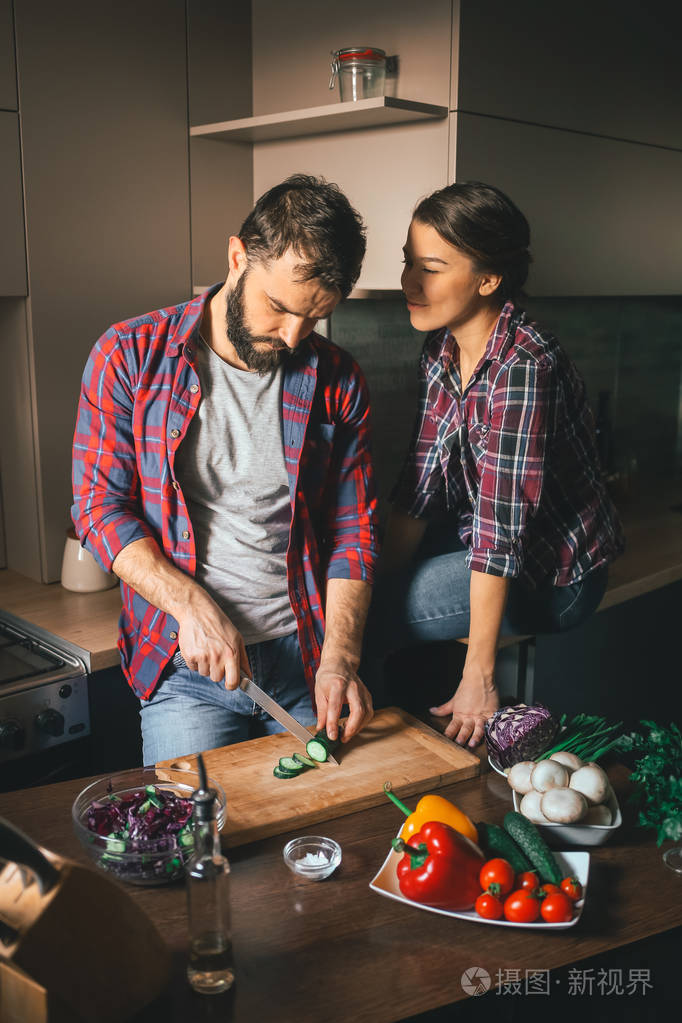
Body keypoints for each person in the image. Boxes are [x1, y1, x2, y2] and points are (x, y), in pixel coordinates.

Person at [72, 174, 378, 765]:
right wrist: (190, 605)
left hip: (306, 660)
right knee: (195, 847)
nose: (293, 337)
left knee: (329, 844)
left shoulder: (338, 378)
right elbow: (97, 508)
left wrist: (341, 659)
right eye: (281, 308)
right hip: (184, 666)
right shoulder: (129, 354)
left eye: (314, 320)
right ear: (238, 256)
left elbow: (355, 532)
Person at [364, 181, 624, 749]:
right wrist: (375, 579)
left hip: (555, 576)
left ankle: (405, 760)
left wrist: (479, 676)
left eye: (431, 267)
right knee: (360, 598)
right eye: (409, 262)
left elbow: (499, 533)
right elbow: (418, 487)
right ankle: (428, 749)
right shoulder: (441, 349)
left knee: (372, 619)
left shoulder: (526, 366)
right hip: (482, 542)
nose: (410, 282)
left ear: (488, 279)